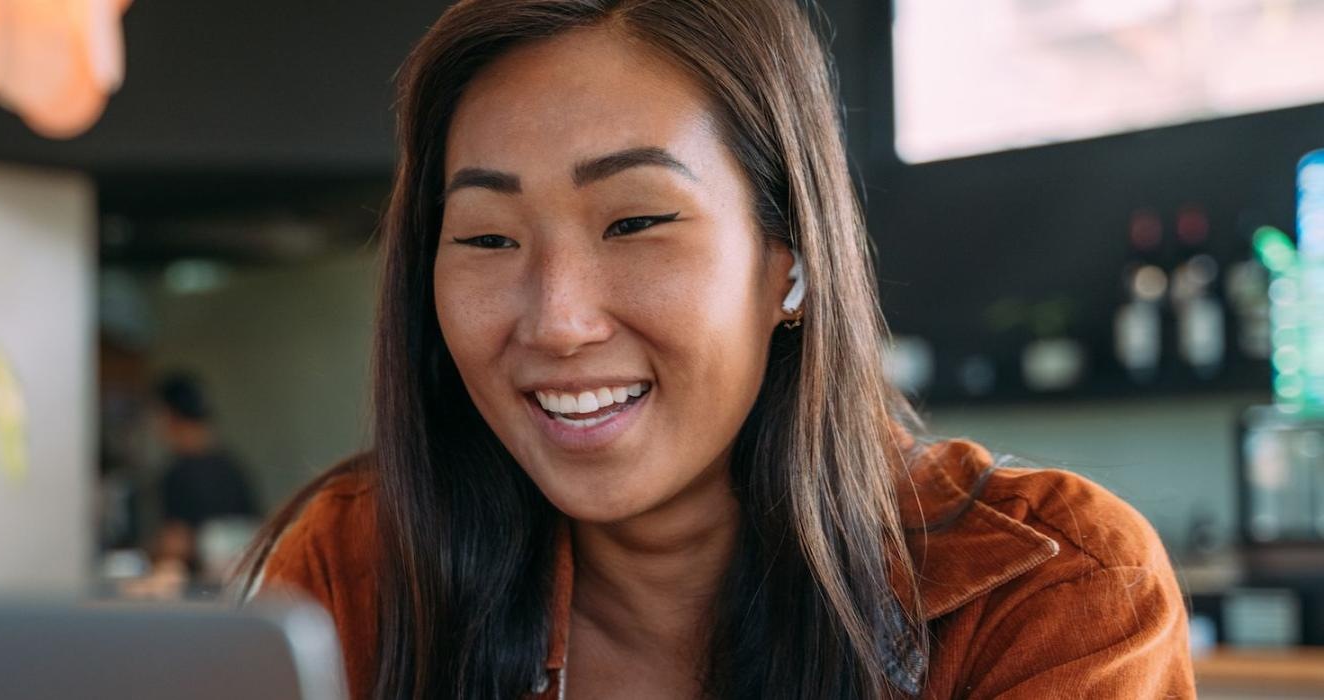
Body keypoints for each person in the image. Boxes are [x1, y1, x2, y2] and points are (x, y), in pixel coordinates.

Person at [240, 1, 1194, 698]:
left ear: (790, 260)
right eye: (489, 238)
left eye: (637, 222)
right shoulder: (356, 571)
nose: (557, 321)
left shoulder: (1051, 594)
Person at [145, 373, 259, 588]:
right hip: (240, 592)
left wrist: (146, 554)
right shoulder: (234, 468)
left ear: (169, 415)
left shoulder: (179, 473)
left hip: (199, 593)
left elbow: (176, 544)